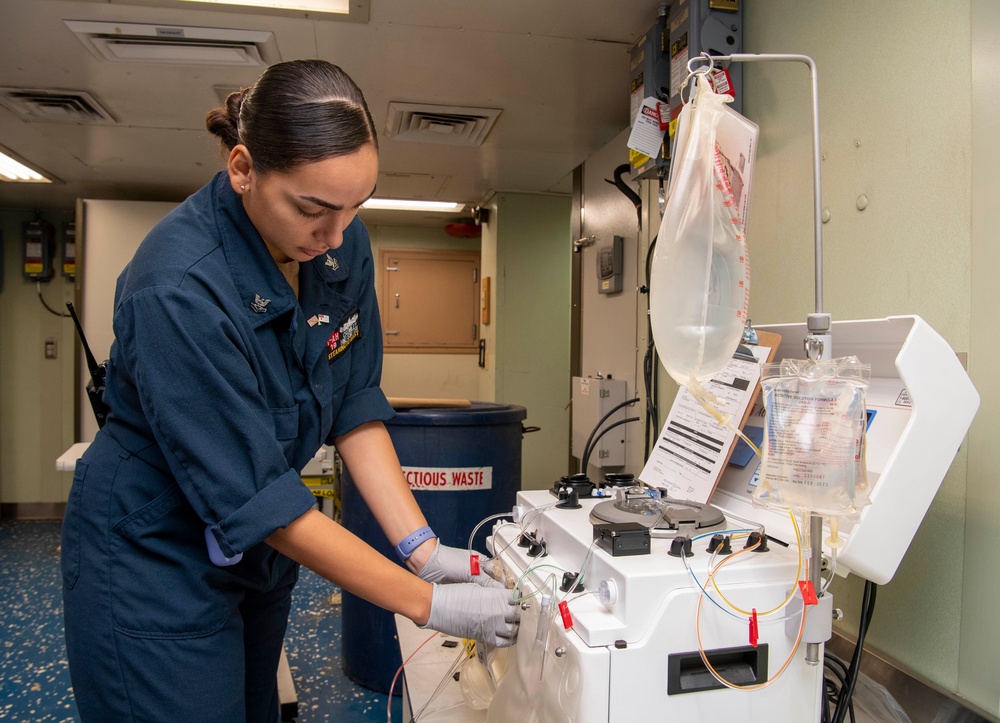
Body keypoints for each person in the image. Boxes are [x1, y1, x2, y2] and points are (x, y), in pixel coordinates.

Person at [61, 59, 519, 722]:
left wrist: (421, 546)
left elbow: (355, 405)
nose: (337, 236)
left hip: (253, 559)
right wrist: (428, 602)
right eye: (313, 209)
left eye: (354, 208)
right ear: (243, 169)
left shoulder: (337, 245)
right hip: (153, 557)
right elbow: (260, 502)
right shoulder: (177, 287)